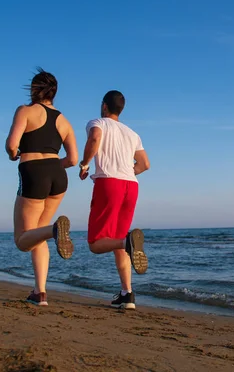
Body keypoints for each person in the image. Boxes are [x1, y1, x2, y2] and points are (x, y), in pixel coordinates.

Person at [5, 67, 78, 306]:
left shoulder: (25, 111)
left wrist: (14, 153)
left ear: (34, 89)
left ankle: (55, 230)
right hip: (58, 175)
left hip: (33, 172)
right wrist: (53, 165)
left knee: (22, 240)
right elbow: (73, 160)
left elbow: (11, 144)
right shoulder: (64, 121)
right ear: (54, 92)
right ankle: (40, 293)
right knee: (37, 233)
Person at [79, 90, 150, 310]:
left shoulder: (97, 122)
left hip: (109, 183)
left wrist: (85, 164)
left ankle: (126, 242)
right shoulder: (132, 133)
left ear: (104, 106)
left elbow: (95, 138)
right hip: (131, 186)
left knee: (96, 243)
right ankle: (127, 294)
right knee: (119, 240)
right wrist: (126, 172)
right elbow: (144, 164)